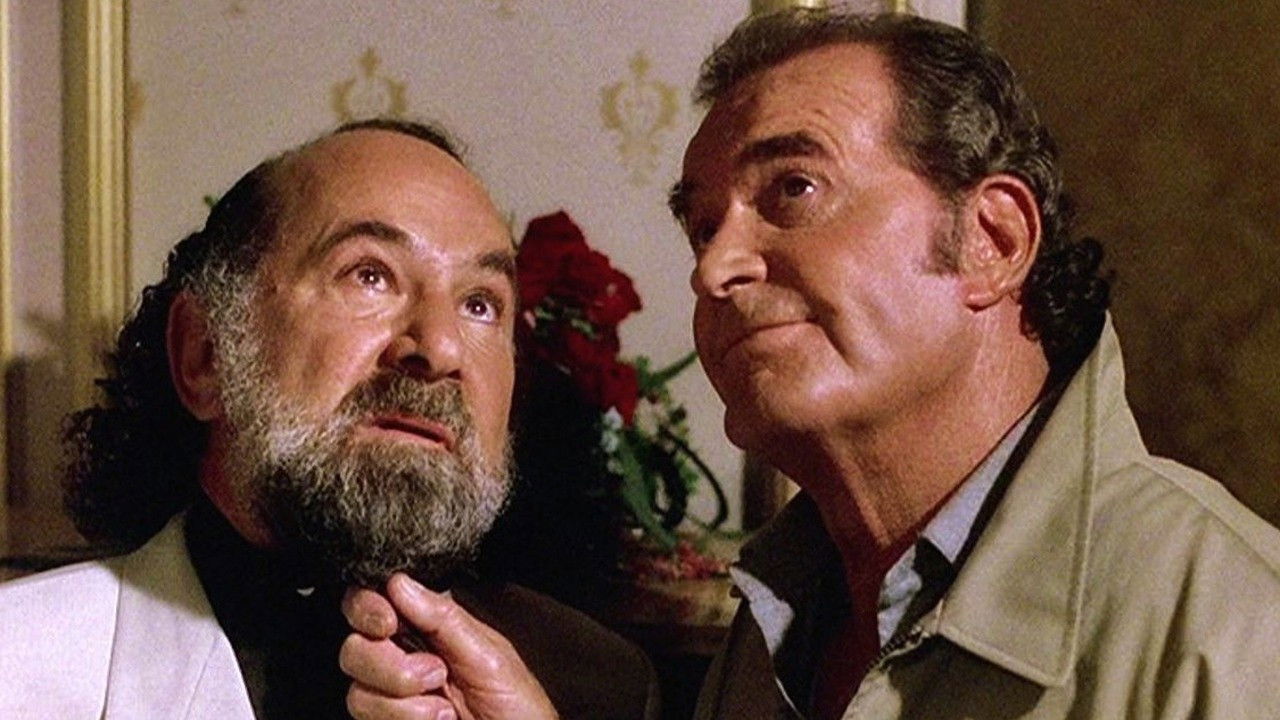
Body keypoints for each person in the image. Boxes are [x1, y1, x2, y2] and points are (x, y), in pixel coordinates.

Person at [339, 8, 1280, 720]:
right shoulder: (774, 625)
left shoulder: (1233, 626)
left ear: (992, 240)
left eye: (793, 189)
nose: (714, 267)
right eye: (702, 226)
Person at [0, 119, 658, 720]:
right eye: (370, 275)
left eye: (481, 304)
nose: (440, 348)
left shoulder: (599, 688)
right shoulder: (18, 665)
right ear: (204, 355)